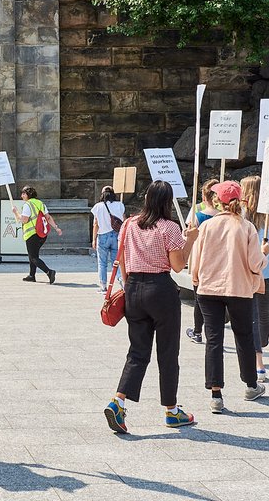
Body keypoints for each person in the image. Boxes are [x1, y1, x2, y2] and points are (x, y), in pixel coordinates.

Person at [103, 180, 199, 434]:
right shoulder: (170, 228)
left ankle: (118, 402)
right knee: (167, 353)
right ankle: (171, 410)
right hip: (161, 290)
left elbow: (121, 258)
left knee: (137, 352)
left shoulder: (129, 224)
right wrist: (190, 240)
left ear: (147, 199)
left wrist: (128, 284)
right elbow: (178, 266)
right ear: (167, 202)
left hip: (133, 287)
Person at [188, 180, 268, 413]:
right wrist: (263, 256)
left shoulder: (206, 227)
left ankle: (216, 395)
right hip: (239, 289)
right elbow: (255, 264)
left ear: (217, 201)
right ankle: (251, 385)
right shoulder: (246, 227)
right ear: (239, 201)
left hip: (209, 288)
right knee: (243, 336)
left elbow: (196, 259)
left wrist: (195, 278)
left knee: (214, 340)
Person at [240, 175, 269, 382]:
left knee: (253, 317)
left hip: (248, 272)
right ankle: (261, 348)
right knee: (263, 315)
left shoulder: (241, 217)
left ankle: (259, 359)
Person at [186, 180, 220, 344]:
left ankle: (198, 330)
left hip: (201, 261)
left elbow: (188, 237)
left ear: (203, 196)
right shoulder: (224, 216)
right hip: (220, 262)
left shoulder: (197, 214)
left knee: (199, 299)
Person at [11, 186, 58, 284]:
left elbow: (24, 219)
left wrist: (16, 212)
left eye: (23, 194)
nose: (21, 196)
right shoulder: (40, 203)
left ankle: (49, 272)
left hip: (32, 234)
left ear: (28, 194)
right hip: (42, 234)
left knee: (33, 257)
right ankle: (32, 275)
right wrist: (56, 228)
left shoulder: (27, 205)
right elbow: (48, 217)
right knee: (33, 255)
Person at [90, 185, 125, 292]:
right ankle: (121, 281)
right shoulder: (120, 205)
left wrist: (94, 239)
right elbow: (124, 221)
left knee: (102, 263)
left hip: (103, 236)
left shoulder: (98, 206)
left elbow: (96, 224)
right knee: (117, 261)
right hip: (116, 235)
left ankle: (103, 286)